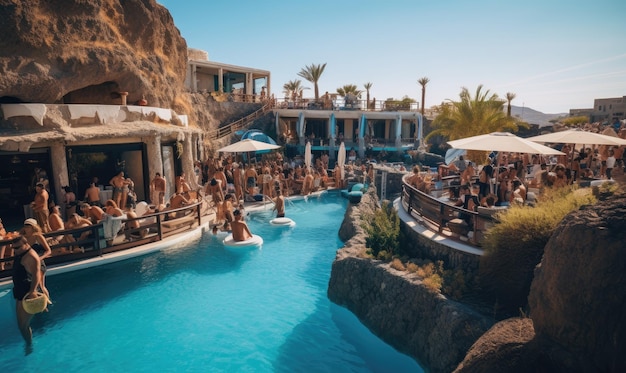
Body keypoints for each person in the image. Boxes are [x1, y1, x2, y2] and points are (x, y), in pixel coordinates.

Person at [11, 235, 46, 345]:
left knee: (23, 325)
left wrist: (32, 292)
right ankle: (29, 342)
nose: (15, 250)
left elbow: (36, 275)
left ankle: (29, 345)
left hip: (27, 292)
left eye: (17, 248)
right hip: (20, 291)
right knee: (20, 325)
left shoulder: (31, 256)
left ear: (26, 245)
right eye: (13, 248)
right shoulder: (20, 253)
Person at [21, 219, 51, 302]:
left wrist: (40, 258)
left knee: (41, 285)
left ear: (33, 227)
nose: (26, 228)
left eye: (28, 226)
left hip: (39, 263)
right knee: (33, 286)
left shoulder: (38, 236)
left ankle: (47, 302)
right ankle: (38, 303)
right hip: (28, 265)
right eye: (25, 226)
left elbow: (48, 250)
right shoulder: (23, 238)